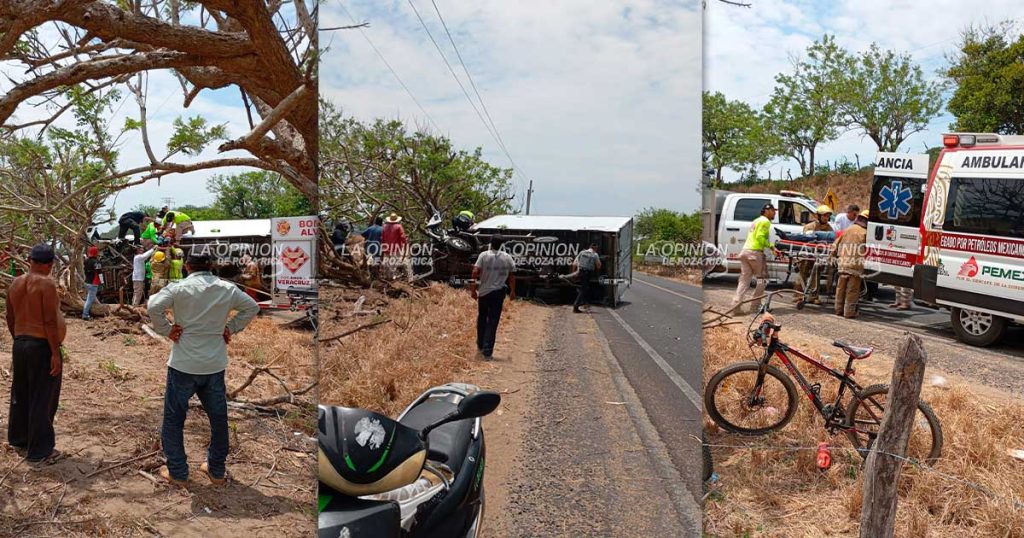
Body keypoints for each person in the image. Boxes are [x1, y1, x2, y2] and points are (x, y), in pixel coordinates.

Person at [148, 252, 260, 486]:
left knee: (174, 418)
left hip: (183, 364)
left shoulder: (179, 288)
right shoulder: (226, 289)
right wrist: (231, 327)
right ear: (212, 266)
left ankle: (178, 472)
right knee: (218, 419)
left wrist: (166, 329)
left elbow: (153, 306)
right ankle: (216, 471)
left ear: (187, 266)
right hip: (214, 364)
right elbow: (252, 307)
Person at [5, 244, 65, 464]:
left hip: (20, 343)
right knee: (43, 397)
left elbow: (9, 317)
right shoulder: (46, 284)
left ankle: (19, 439)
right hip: (41, 346)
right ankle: (40, 451)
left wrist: (18, 340)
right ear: (49, 264)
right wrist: (55, 353)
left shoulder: (15, 282)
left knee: (21, 392)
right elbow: (49, 321)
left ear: (30, 260)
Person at [471, 237, 516, 359]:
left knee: (482, 318)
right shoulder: (507, 257)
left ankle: (480, 345)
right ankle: (487, 351)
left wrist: (473, 289)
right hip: (498, 293)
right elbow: (511, 276)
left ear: (490, 244)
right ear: (502, 244)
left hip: (484, 293)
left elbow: (475, 272)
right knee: (493, 321)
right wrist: (512, 291)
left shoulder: (483, 256)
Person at [731, 203, 780, 314]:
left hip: (745, 252)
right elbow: (759, 237)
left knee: (744, 280)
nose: (775, 213)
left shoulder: (756, 220)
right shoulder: (765, 221)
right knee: (763, 279)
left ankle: (735, 306)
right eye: (773, 211)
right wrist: (772, 247)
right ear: (767, 210)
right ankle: (755, 306)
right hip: (755, 253)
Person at [793, 205, 833, 305]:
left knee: (816, 275)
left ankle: (813, 296)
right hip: (806, 255)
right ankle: (798, 296)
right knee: (803, 274)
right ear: (818, 216)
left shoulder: (829, 228)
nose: (826, 218)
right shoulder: (809, 227)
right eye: (824, 216)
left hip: (819, 256)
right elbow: (805, 240)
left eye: (828, 216)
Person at [832, 210, 869, 318]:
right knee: (852, 290)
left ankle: (838, 310)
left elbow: (835, 245)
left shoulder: (848, 229)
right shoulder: (865, 233)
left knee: (840, 288)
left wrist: (832, 257)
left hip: (843, 264)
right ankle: (849, 313)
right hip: (855, 266)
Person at [572, 243, 602, 313]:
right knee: (583, 289)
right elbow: (598, 266)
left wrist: (574, 274)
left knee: (584, 288)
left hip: (580, 272)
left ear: (589, 247)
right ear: (595, 248)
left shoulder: (582, 252)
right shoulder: (595, 254)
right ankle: (575, 306)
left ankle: (585, 303)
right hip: (587, 274)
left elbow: (574, 264)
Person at [381, 213, 409, 281]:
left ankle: (386, 276)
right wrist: (405, 243)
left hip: (386, 247)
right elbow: (402, 237)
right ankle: (391, 277)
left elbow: (382, 237)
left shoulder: (384, 226)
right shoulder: (399, 226)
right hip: (396, 248)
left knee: (387, 262)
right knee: (393, 263)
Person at [83, 245, 103, 320]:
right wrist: (102, 282)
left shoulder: (86, 261)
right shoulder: (97, 262)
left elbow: (85, 271)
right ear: (96, 253)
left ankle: (99, 309)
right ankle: (85, 315)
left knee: (91, 298)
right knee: (89, 300)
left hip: (87, 282)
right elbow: (99, 272)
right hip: (93, 283)